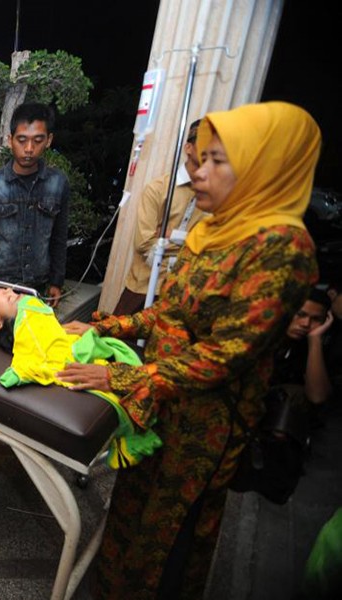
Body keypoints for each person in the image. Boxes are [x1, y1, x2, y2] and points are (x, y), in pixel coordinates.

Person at [57, 102, 321, 598]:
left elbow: (225, 356)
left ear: (263, 165)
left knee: (169, 532)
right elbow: (169, 311)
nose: (198, 171)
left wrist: (122, 377)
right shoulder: (214, 229)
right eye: (200, 158)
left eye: (218, 160)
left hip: (204, 427)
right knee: (131, 505)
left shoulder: (282, 249)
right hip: (160, 400)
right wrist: (105, 324)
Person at [0, 102, 69, 307]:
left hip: (37, 289)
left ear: (49, 140)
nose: (29, 149)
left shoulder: (58, 184)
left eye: (37, 140)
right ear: (10, 140)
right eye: (22, 140)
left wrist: (57, 280)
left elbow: (59, 237)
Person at [113, 119, 207, 315]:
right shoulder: (159, 189)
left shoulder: (211, 197)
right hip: (144, 286)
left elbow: (208, 245)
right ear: (189, 147)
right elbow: (144, 244)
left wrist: (172, 235)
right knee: (116, 342)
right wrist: (190, 242)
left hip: (181, 290)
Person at [270, 288, 334, 406]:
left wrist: (314, 339)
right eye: (300, 314)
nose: (306, 324)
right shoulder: (264, 339)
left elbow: (318, 396)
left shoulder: (314, 348)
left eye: (315, 319)